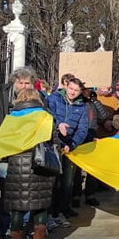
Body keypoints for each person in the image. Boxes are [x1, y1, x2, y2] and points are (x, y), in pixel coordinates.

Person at [0, 88, 56, 239]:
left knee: (17, 208)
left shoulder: (10, 119)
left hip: (16, 166)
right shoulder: (45, 117)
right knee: (41, 205)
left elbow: (2, 140)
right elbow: (53, 140)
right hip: (39, 164)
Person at [0, 67, 37, 239]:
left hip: (29, 154)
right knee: (8, 194)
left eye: (27, 82)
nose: (23, 86)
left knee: (28, 193)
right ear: (14, 82)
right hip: (6, 153)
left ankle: (25, 226)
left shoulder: (38, 98)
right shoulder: (1, 96)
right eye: (20, 82)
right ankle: (7, 228)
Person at [47, 77, 88, 223]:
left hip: (69, 147)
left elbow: (82, 129)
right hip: (52, 144)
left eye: (76, 90)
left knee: (68, 181)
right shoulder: (54, 99)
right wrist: (58, 125)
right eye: (71, 88)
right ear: (66, 87)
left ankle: (63, 208)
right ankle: (51, 212)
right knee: (53, 181)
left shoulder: (82, 107)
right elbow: (47, 115)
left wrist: (71, 144)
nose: (73, 92)